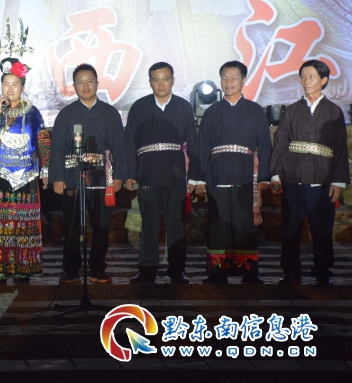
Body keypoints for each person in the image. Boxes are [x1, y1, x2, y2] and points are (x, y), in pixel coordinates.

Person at [190, 60, 271, 284]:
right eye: (224, 78)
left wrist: (264, 178)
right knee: (219, 225)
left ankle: (249, 273)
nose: (228, 82)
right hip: (218, 175)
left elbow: (265, 145)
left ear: (244, 80)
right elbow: (202, 146)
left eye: (234, 77)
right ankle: (217, 273)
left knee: (246, 224)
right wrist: (198, 178)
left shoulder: (255, 110)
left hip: (247, 176)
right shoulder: (212, 112)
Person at [270, 60, 349, 286]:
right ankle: (290, 271)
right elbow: (281, 142)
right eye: (303, 76)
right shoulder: (291, 110)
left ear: (323, 80)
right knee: (291, 227)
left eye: (311, 76)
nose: (306, 81)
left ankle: (322, 271)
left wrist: (338, 181)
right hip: (293, 177)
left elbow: (340, 148)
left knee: (321, 228)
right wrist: (276, 175)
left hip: (322, 179)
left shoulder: (333, 112)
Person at [0, 57, 50, 284]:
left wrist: (46, 170)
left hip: (25, 176)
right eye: (6, 84)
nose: (10, 88)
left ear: (23, 88)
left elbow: (43, 142)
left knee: (23, 223)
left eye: (15, 84)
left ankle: (22, 266)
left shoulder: (34, 113)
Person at [49, 63, 126, 284]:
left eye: (89, 81)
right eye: (80, 82)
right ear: (74, 86)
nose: (85, 86)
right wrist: (58, 177)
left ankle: (98, 268)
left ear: (97, 83)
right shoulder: (66, 114)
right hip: (72, 178)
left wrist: (119, 175)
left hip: (103, 178)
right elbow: (57, 148)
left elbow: (119, 146)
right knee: (72, 226)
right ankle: (71, 269)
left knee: (101, 226)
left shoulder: (110, 113)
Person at [125, 62, 197, 284]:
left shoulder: (184, 107)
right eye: (156, 80)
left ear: (173, 80)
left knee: (176, 223)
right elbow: (129, 142)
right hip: (147, 173)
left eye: (165, 79)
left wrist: (194, 176)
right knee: (149, 223)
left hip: (176, 174)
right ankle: (147, 270)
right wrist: (130, 174)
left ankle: (177, 270)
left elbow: (192, 142)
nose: (161, 84)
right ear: (150, 82)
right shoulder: (139, 107)